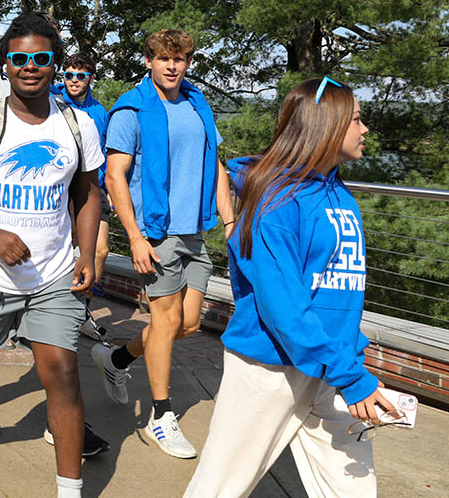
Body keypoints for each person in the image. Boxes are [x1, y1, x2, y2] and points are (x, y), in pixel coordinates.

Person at [184, 77, 393, 497]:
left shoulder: (339, 195)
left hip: (331, 366)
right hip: (270, 368)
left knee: (353, 489)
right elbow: (284, 306)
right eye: (356, 119)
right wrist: (350, 376)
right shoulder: (277, 202)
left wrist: (350, 356)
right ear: (326, 126)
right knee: (221, 486)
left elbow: (335, 290)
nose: (364, 128)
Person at [0, 13, 103, 497]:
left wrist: (85, 252)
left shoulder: (78, 124)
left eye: (41, 58)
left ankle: (69, 490)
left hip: (51, 276)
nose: (30, 67)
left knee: (64, 372)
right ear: (4, 64)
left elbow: (90, 193)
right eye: (19, 58)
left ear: (55, 64)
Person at [97, 28, 235, 459]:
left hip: (195, 231)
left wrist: (230, 222)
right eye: (164, 58)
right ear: (149, 61)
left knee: (186, 324)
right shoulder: (132, 109)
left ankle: (117, 360)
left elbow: (216, 165)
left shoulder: (197, 104)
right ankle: (161, 415)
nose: (173, 66)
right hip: (157, 235)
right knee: (164, 320)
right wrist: (135, 238)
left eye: (180, 59)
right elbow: (114, 175)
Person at [58, 54, 112, 337]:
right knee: (64, 250)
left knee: (100, 251)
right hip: (63, 187)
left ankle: (82, 312)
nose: (74, 80)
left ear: (91, 77)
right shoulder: (52, 103)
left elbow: (104, 153)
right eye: (68, 75)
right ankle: (53, 311)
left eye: (80, 75)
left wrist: (111, 189)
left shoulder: (100, 111)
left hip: (93, 187)